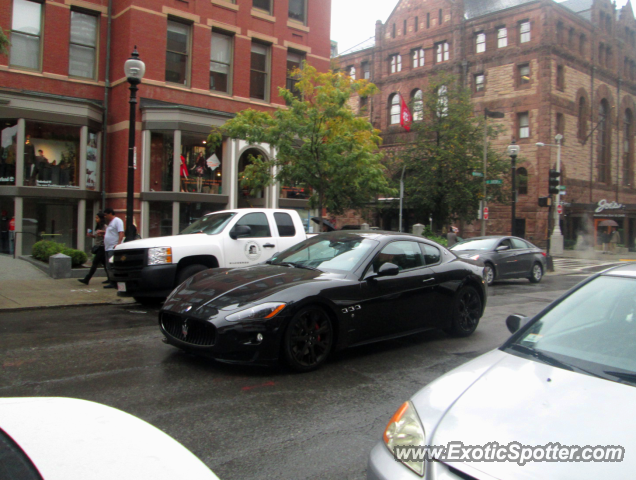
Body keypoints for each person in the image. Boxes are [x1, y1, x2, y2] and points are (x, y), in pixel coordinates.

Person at [78, 212, 107, 285]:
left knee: (95, 263)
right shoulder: (98, 227)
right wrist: (91, 235)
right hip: (98, 247)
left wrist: (102, 232)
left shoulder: (105, 227)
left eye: (97, 218)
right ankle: (110, 279)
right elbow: (97, 237)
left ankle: (87, 279)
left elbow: (109, 233)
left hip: (102, 247)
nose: (95, 219)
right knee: (105, 264)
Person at [103, 207, 124, 289]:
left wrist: (118, 244)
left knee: (112, 265)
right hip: (107, 247)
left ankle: (114, 282)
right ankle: (111, 280)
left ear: (110, 213)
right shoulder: (110, 223)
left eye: (106, 215)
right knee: (108, 266)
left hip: (113, 247)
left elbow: (121, 233)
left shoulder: (117, 221)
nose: (105, 217)